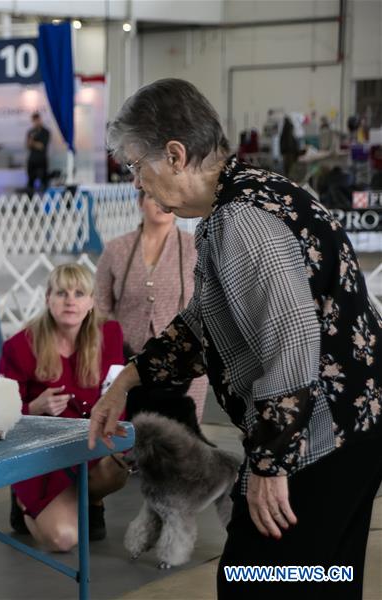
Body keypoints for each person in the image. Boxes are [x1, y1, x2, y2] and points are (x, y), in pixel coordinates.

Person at [89, 78, 382, 598]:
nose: (136, 183)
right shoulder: (253, 194)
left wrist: (270, 465)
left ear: (175, 155)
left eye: (136, 166)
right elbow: (207, 323)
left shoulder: (241, 221)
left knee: (250, 578)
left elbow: (291, 343)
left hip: (320, 439)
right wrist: (128, 379)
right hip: (350, 429)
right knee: (326, 577)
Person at [0, 264, 129, 549]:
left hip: (89, 445)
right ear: (48, 299)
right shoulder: (19, 346)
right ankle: (23, 502)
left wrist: (110, 425)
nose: (70, 300)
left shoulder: (110, 333)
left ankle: (89, 500)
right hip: (40, 454)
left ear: (92, 301)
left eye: (79, 293)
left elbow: (116, 395)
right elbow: (0, 415)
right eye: (62, 293)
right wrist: (34, 407)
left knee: (120, 466)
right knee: (63, 539)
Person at [94, 189, 209, 421]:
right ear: (140, 203)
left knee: (182, 434)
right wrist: (111, 346)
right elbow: (100, 306)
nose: (160, 203)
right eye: (152, 197)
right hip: (126, 361)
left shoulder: (194, 247)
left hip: (183, 359)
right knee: (128, 432)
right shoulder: (116, 249)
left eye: (165, 196)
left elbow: (207, 301)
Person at [25, 111, 50, 191]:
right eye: (34, 121)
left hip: (41, 160)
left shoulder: (45, 132)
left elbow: (42, 146)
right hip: (32, 160)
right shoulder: (30, 132)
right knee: (30, 181)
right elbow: (27, 145)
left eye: (37, 120)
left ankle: (45, 195)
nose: (36, 122)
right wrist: (32, 143)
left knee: (44, 181)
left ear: (40, 120)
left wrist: (33, 143)